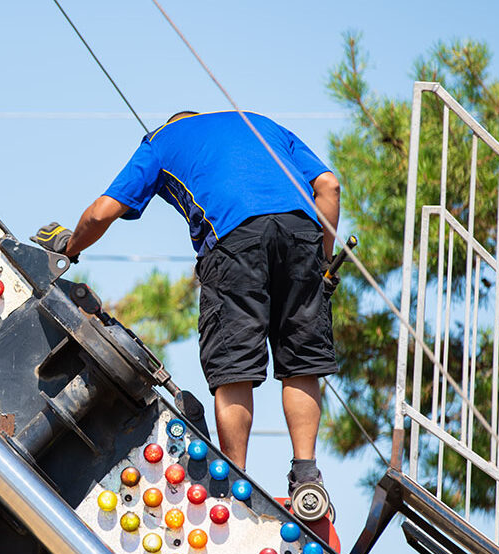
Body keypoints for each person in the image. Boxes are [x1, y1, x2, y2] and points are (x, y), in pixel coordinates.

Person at [33, 110, 341, 497]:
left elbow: (101, 212)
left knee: (234, 367)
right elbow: (328, 187)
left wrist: (69, 247)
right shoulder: (259, 123)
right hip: (303, 232)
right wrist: (323, 265)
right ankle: (307, 476)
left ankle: (235, 480)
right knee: (301, 362)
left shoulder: (163, 139)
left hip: (233, 239)